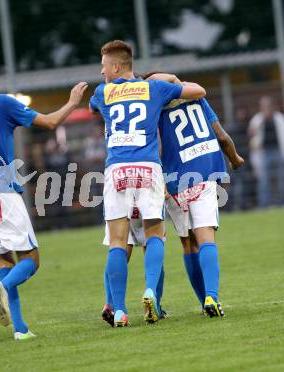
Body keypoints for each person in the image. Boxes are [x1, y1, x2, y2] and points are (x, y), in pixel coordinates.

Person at [0, 53, 87, 340]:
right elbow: (47, 123)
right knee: (31, 260)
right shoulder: (2, 102)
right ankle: (6, 288)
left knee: (3, 261)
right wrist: (72, 101)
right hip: (2, 192)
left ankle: (20, 329)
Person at [89, 40, 206, 326]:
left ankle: (118, 311)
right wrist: (165, 80)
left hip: (116, 169)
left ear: (116, 67)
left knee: (117, 242)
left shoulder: (102, 92)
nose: (102, 72)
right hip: (147, 168)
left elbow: (94, 108)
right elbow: (199, 91)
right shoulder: (155, 89)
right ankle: (151, 290)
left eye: (104, 66)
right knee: (155, 235)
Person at [148, 72, 244, 317]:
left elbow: (156, 148)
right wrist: (235, 158)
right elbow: (222, 136)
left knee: (188, 242)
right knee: (206, 237)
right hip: (203, 173)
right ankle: (212, 297)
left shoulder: (154, 109)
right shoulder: (199, 100)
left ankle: (203, 301)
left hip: (173, 178)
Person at [101, 207, 166, 326]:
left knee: (118, 247)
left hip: (119, 193)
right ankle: (153, 298)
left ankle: (114, 307)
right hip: (146, 192)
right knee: (153, 240)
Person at [248, 96, 284, 207]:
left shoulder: (279, 118)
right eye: (263, 106)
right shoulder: (257, 119)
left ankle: (280, 203)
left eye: (268, 105)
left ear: (272, 106)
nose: (266, 108)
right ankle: (263, 204)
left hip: (278, 151)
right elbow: (251, 134)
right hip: (264, 153)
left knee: (280, 179)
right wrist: (261, 121)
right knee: (264, 180)